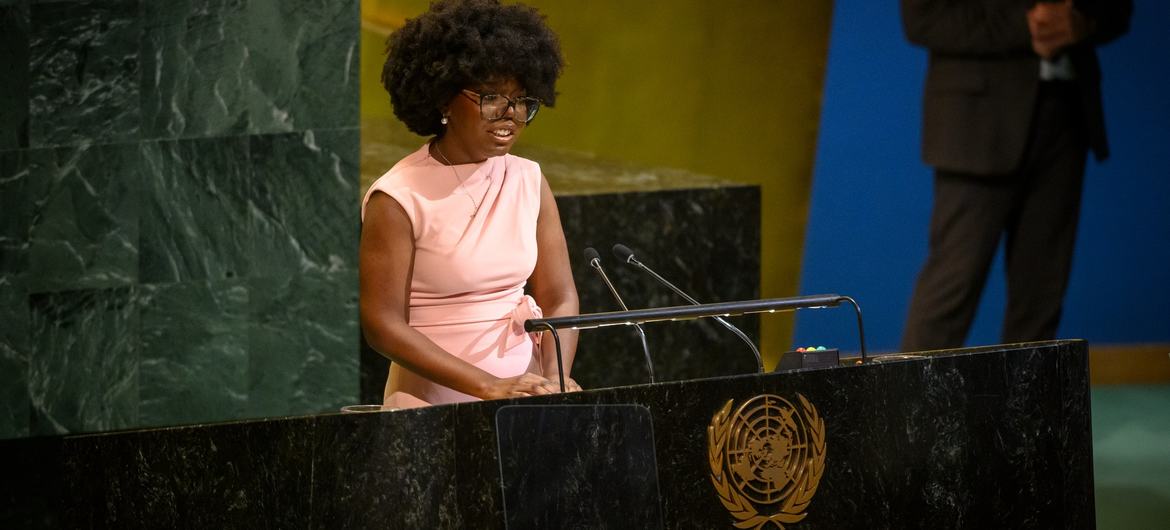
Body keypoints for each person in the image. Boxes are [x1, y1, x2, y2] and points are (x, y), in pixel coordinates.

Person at [360, 0, 581, 409]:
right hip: (429, 404)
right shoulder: (397, 196)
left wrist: (557, 377)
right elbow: (382, 325)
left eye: (521, 100)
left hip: (525, 395)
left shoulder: (529, 180)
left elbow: (560, 295)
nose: (510, 114)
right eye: (492, 97)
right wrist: (485, 386)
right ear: (443, 99)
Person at [900, 0, 1132, 351]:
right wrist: (1027, 26)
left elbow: (1119, 10)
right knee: (952, 287)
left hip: (1067, 116)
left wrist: (1081, 23)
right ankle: (913, 406)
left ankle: (1028, 407)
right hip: (976, 121)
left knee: (1042, 294)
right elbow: (923, 18)